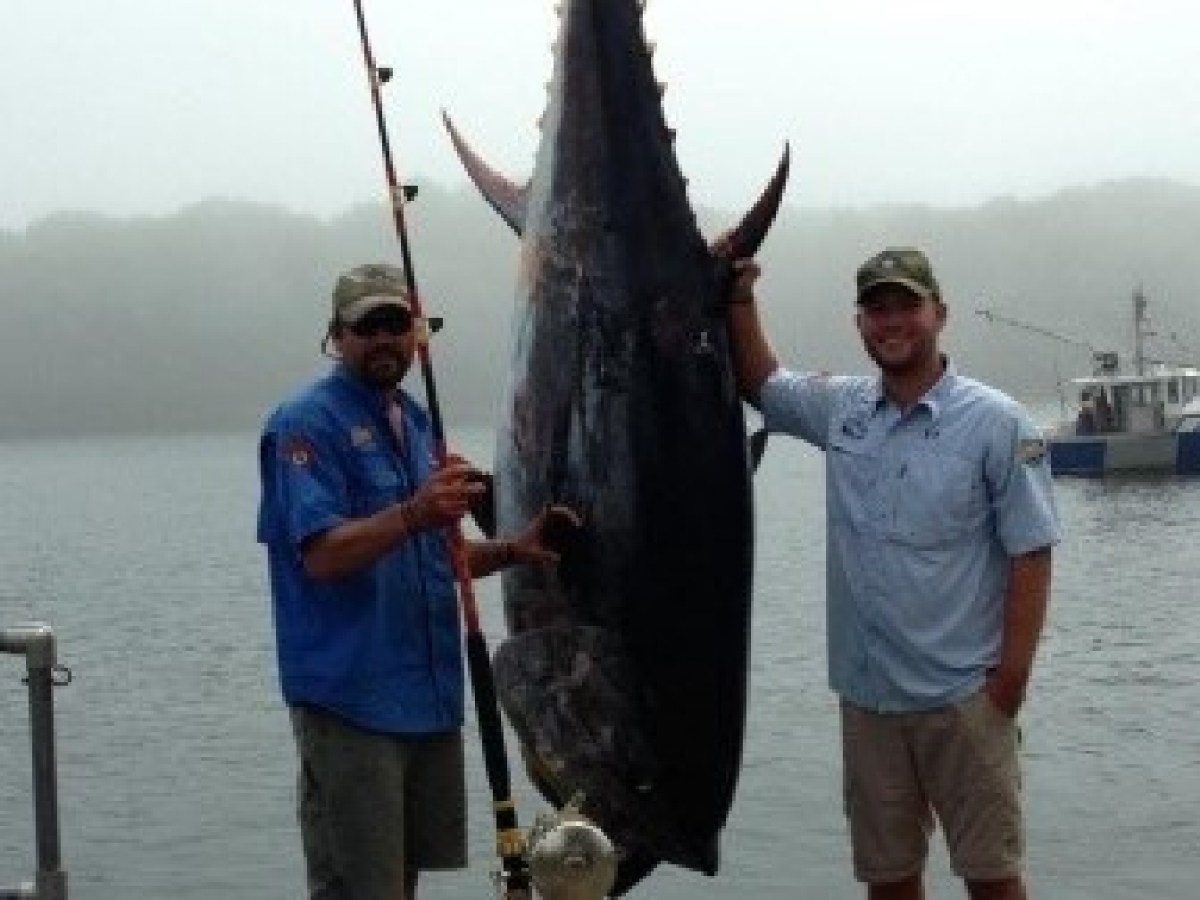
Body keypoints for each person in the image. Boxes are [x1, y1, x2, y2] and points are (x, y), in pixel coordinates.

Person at [718, 245, 1062, 900]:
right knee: (888, 879)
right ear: (860, 324)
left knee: (992, 878)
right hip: (868, 701)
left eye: (907, 305)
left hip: (964, 698)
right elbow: (759, 380)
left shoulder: (998, 421)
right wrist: (738, 296)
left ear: (940, 314)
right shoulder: (841, 408)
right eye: (877, 309)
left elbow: (1032, 552)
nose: (892, 321)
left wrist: (1009, 684)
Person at [257, 262, 574, 900]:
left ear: (418, 335)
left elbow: (433, 558)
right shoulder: (304, 424)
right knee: (358, 885)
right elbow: (320, 556)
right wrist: (413, 512)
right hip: (351, 701)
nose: (383, 339)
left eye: (396, 324)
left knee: (402, 880)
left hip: (427, 698)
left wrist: (515, 549)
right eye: (366, 326)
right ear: (336, 336)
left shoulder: (417, 422)